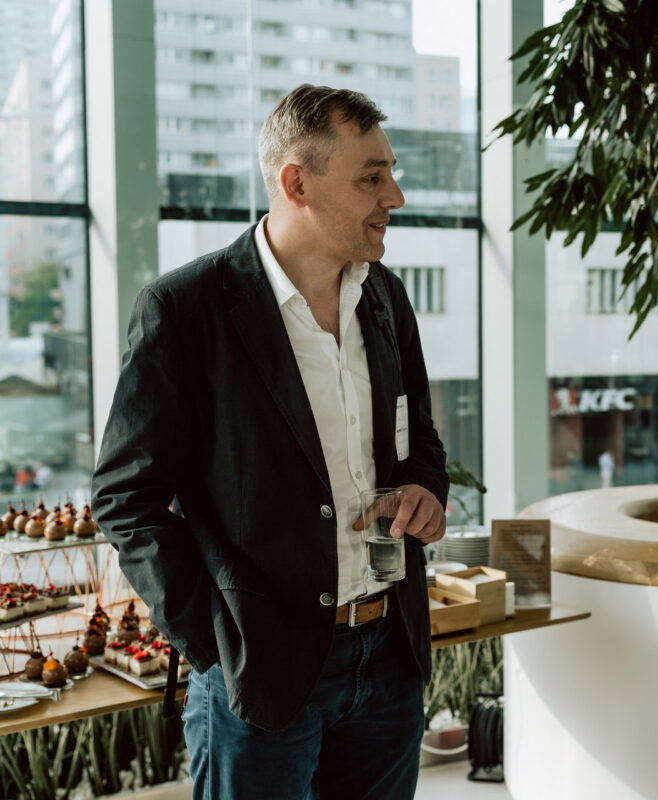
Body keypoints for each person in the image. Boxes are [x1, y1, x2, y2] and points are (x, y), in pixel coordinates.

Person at [91, 85, 449, 800]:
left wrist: (424, 491)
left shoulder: (386, 297)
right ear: (297, 183)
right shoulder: (185, 310)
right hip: (261, 675)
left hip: (388, 660)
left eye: (391, 172)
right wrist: (216, 642)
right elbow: (125, 498)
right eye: (371, 177)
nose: (396, 196)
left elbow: (419, 443)